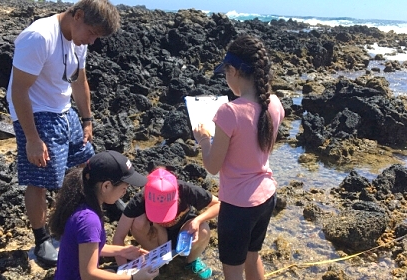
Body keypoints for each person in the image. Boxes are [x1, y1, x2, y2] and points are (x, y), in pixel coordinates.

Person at [5, 0, 121, 265]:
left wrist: (87, 119)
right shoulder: (39, 37)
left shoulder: (77, 41)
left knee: (85, 164)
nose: (91, 42)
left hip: (63, 109)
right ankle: (42, 238)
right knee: (41, 177)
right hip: (35, 111)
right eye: (92, 33)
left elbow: (80, 81)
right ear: (77, 16)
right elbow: (19, 91)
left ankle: (96, 209)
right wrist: (32, 139)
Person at [192, 34, 285, 280]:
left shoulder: (228, 112)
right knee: (253, 257)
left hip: (238, 207)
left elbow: (212, 166)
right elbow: (260, 148)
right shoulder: (274, 104)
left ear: (233, 70)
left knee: (233, 271)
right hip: (266, 197)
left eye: (225, 73)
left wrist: (203, 139)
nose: (225, 78)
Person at [49, 150, 159, 280]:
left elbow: (87, 248)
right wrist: (133, 278)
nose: (124, 193)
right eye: (124, 188)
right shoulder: (89, 220)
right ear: (106, 186)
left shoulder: (80, 205)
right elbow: (89, 274)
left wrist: (123, 251)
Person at [113, 168, 220, 279]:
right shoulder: (139, 200)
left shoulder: (185, 189)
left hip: (182, 233)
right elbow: (118, 237)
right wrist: (125, 271)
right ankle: (154, 258)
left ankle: (191, 261)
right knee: (138, 221)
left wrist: (198, 220)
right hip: (155, 238)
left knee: (203, 228)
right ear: (146, 196)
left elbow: (218, 204)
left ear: (177, 195)